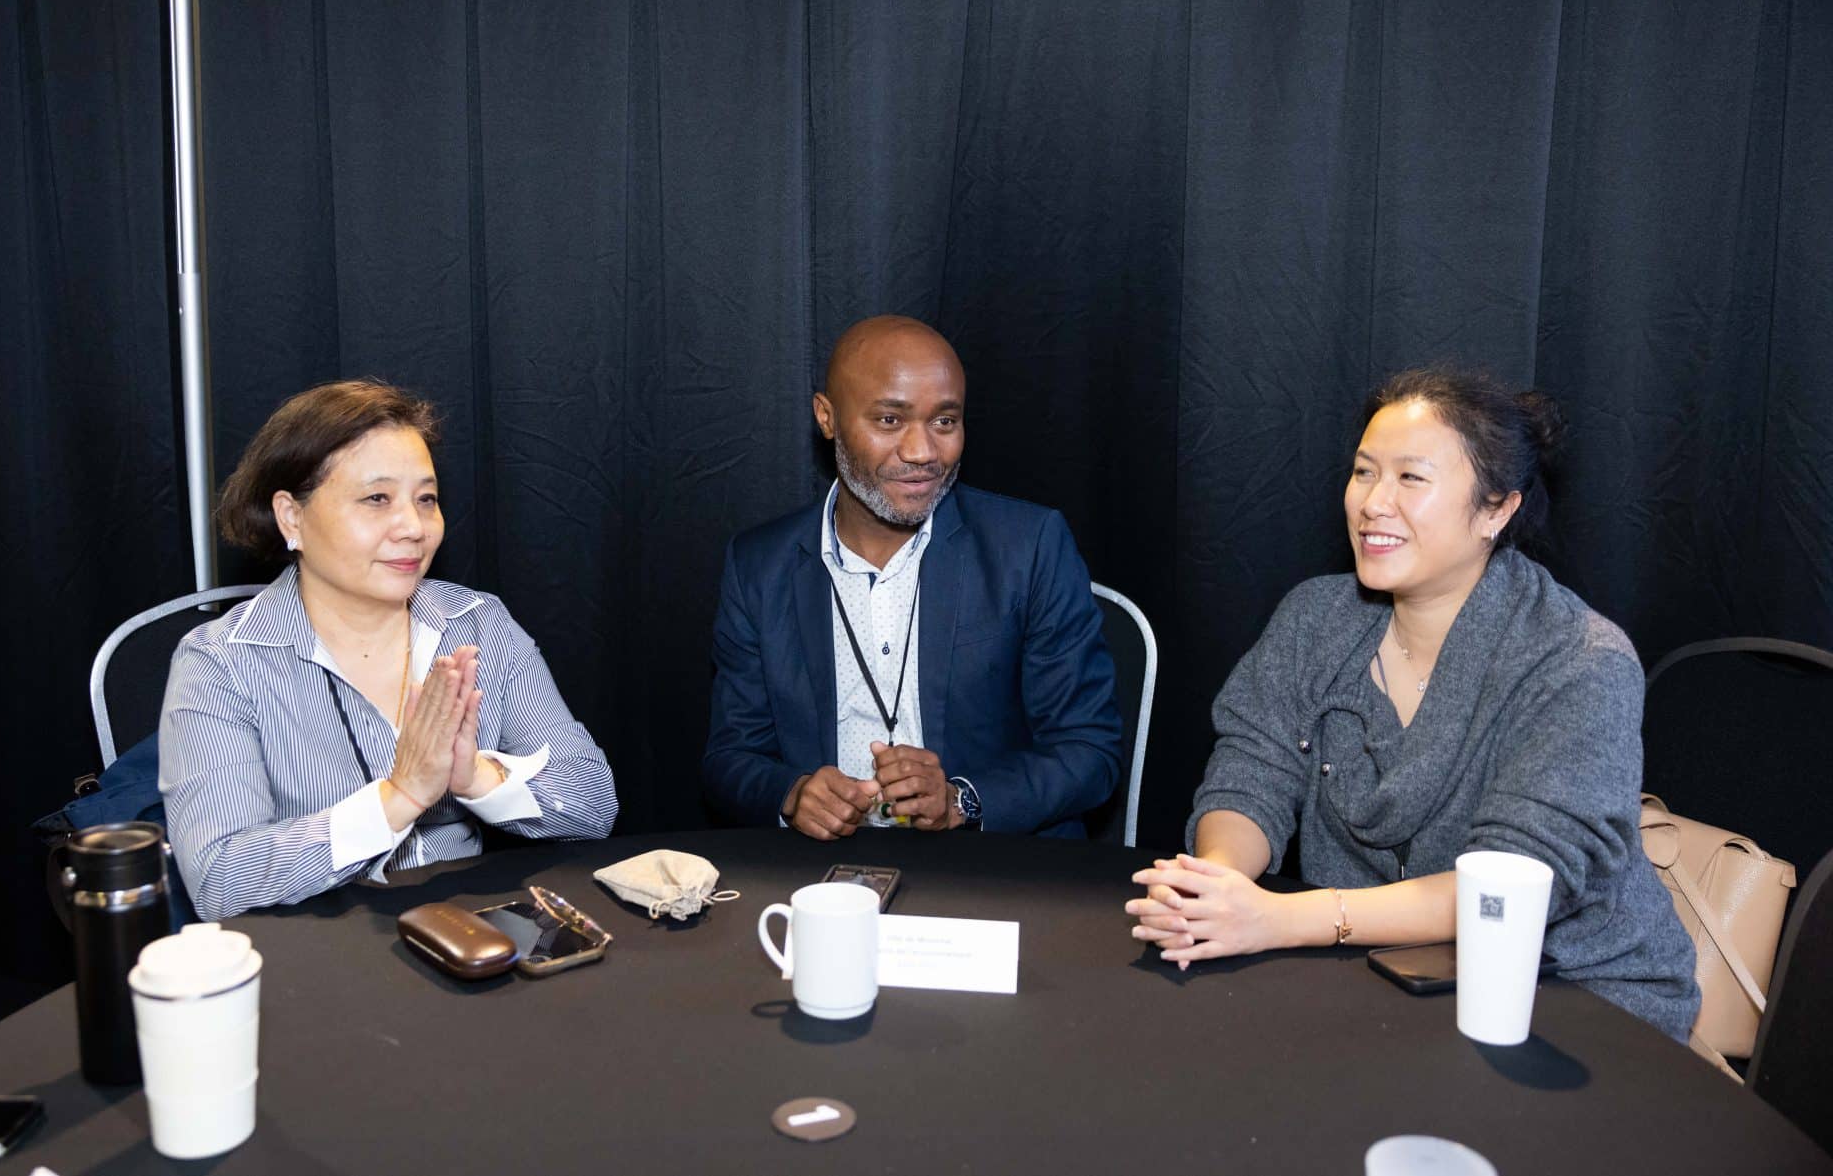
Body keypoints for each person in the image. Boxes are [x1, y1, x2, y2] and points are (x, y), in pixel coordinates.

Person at [1127, 368, 1699, 1040]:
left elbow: (1507, 887)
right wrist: (1218, 888)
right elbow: (1251, 773)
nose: (1374, 503)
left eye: (1411, 478)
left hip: (1571, 993)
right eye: (1364, 472)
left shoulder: (1579, 660)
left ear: (1496, 510)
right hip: (1378, 979)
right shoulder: (1315, 619)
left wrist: (1279, 918)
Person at [161, 380, 617, 920]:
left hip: (472, 936)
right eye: (377, 499)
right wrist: (398, 798)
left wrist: (477, 777)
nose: (413, 528)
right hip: (322, 951)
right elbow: (220, 879)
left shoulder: (478, 623)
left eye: (426, 500)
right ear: (291, 517)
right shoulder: (220, 662)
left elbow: (593, 803)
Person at [702, 315, 1123, 840]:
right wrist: (792, 794)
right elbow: (730, 757)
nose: (922, 452)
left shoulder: (1028, 547)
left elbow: (1090, 750)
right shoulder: (759, 565)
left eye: (944, 421)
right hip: (821, 871)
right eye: (889, 420)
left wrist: (962, 801)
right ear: (827, 417)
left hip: (988, 865)